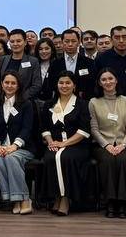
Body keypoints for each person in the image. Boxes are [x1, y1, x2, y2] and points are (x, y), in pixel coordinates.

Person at [39, 72, 93, 216]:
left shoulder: (83, 104)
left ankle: (66, 198)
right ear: (57, 85)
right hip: (55, 143)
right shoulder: (49, 104)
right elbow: (44, 128)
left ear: (74, 86)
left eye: (68, 83)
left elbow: (84, 131)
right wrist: (51, 142)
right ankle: (56, 196)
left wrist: (65, 143)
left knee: (66, 158)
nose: (64, 86)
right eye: (61, 83)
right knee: (50, 158)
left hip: (77, 145)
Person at [89, 69, 126, 218]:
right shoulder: (94, 102)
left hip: (124, 143)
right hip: (101, 144)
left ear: (116, 80)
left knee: (124, 160)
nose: (108, 82)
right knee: (108, 160)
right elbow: (94, 129)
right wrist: (107, 145)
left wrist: (123, 145)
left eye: (110, 78)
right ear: (99, 83)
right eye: (103, 79)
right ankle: (110, 201)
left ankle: (122, 202)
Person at [0, 72, 35, 215]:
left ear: (18, 86)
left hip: (22, 147)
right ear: (2, 84)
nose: (9, 86)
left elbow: (27, 128)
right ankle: (15, 198)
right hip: (1, 146)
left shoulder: (26, 104)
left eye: (13, 83)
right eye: (6, 82)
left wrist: (15, 146)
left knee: (11, 157)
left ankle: (23, 199)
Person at [0, 29, 41, 101]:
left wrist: (19, 98)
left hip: (24, 101)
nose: (15, 44)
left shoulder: (33, 61)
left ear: (25, 42)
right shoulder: (3, 59)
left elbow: (36, 85)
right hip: (3, 101)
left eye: (18, 41)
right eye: (12, 41)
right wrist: (2, 96)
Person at [58, 29, 96, 99]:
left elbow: (92, 84)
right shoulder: (55, 63)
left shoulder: (89, 62)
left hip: (83, 100)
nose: (70, 44)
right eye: (67, 41)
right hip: (61, 100)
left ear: (79, 43)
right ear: (62, 43)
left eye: (73, 41)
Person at [31, 37, 59, 103]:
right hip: (34, 101)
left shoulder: (57, 64)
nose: (43, 51)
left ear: (52, 50)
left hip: (52, 101)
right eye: (40, 49)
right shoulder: (33, 64)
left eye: (47, 49)